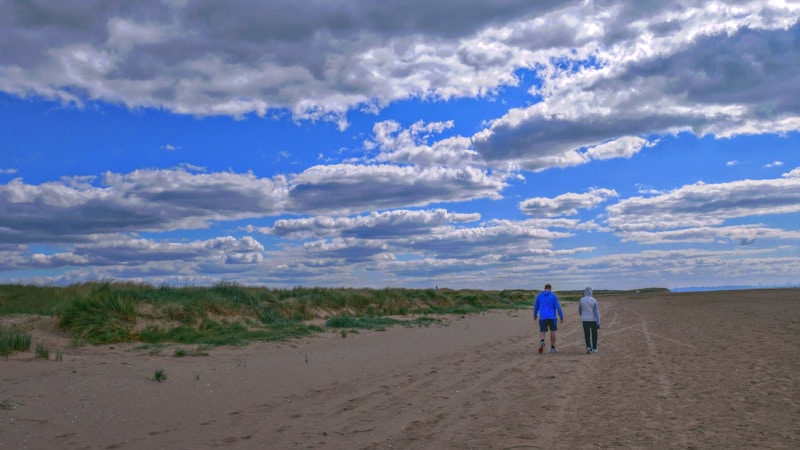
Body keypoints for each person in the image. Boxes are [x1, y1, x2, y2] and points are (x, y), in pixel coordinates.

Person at [533, 284, 564, 353]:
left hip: (543, 317)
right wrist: (561, 316)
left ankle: (542, 341)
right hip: (552, 317)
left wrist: (535, 315)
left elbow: (536, 307)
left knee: (542, 331)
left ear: (544, 288)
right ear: (550, 289)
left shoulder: (539, 296)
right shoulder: (553, 296)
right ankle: (552, 348)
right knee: (552, 331)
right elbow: (558, 307)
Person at [578, 287, 601, 353]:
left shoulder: (581, 300)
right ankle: (594, 348)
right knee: (594, 334)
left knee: (587, 334)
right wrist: (598, 322)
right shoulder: (594, 300)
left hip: (585, 320)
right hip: (593, 320)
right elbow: (596, 312)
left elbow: (579, 310)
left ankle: (588, 346)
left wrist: (582, 315)